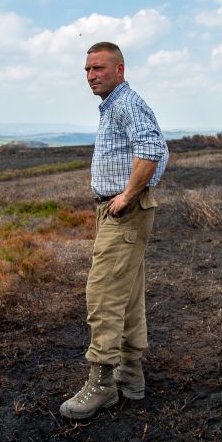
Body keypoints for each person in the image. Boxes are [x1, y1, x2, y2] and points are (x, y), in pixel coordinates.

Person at [60, 42, 169, 419]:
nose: (91, 76)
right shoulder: (118, 105)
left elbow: (153, 150)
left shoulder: (125, 102)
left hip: (123, 211)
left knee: (103, 291)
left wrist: (126, 196)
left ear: (119, 70)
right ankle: (130, 376)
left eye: (99, 68)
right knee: (126, 291)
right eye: (87, 70)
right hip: (123, 210)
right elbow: (159, 148)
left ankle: (102, 384)